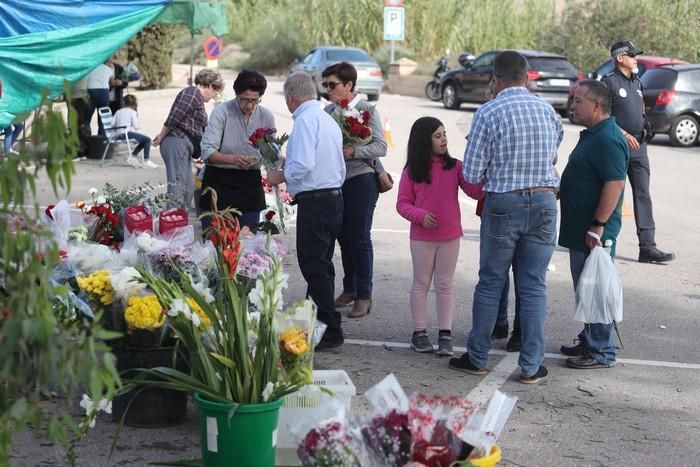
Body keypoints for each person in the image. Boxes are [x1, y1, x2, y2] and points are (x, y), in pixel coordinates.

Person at [449, 51, 562, 385]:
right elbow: (554, 152)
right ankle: (530, 365)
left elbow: (471, 172)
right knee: (533, 285)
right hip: (544, 200)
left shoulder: (488, 112)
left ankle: (478, 356)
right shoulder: (547, 110)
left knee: (491, 281)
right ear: (527, 77)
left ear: (495, 79)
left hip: (504, 202)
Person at [267, 72, 346, 350]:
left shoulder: (304, 121)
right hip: (334, 197)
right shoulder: (327, 119)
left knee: (313, 265)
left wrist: (280, 175)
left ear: (290, 98)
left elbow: (302, 164)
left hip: (317, 200)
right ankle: (319, 322)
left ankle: (330, 327)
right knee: (323, 264)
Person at [396, 117, 483, 356]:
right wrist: (420, 215)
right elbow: (402, 204)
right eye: (437, 135)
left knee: (445, 284)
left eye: (444, 134)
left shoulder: (455, 166)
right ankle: (419, 332)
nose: (444, 139)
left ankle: (445, 333)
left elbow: (475, 192)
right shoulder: (411, 171)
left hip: (450, 236)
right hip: (422, 238)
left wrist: (485, 172)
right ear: (424, 140)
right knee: (421, 283)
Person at [559, 80, 629, 369]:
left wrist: (598, 225)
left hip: (595, 233)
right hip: (582, 232)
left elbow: (614, 184)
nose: (572, 106)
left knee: (596, 289)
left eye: (578, 101)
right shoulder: (595, 134)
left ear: (596, 105)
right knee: (586, 289)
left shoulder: (608, 138)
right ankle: (590, 340)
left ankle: (601, 351)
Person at [321, 62, 387, 319]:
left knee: (359, 237)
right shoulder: (328, 112)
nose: (328, 90)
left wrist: (354, 151)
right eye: (325, 85)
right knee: (342, 236)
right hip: (337, 181)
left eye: (333, 84)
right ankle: (349, 288)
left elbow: (381, 146)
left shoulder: (366, 109)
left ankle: (364, 295)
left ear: (349, 85)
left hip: (362, 179)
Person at [602, 40, 674, 264]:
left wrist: (644, 126)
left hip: (640, 149)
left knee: (643, 195)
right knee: (615, 195)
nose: (636, 59)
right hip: (618, 146)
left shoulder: (637, 82)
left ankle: (648, 247)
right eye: (632, 55)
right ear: (619, 58)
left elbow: (638, 111)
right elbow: (603, 117)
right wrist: (623, 133)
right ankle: (606, 243)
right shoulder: (608, 83)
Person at [200, 70, 275, 230]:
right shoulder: (222, 111)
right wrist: (233, 159)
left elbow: (271, 153)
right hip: (219, 182)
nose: (249, 105)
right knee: (216, 242)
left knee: (249, 243)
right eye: (244, 100)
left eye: (255, 100)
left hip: (250, 184)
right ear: (236, 94)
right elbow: (207, 151)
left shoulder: (266, 116)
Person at [153, 69, 223, 210]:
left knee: (187, 190)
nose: (215, 96)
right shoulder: (192, 93)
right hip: (175, 141)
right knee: (177, 190)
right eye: (216, 91)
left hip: (183, 146)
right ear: (209, 85)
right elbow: (174, 117)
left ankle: (179, 221)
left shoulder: (196, 97)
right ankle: (172, 224)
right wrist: (161, 136)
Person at [113, 94, 158, 169]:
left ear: (124, 103)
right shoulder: (132, 112)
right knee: (147, 140)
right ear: (134, 103)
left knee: (144, 140)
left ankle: (133, 156)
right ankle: (146, 161)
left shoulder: (118, 111)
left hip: (118, 135)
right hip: (126, 134)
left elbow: (112, 124)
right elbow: (136, 126)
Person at [86, 59, 122, 135]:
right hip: (103, 92)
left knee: (87, 117)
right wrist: (119, 82)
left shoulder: (90, 68)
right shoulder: (108, 69)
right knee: (103, 118)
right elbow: (112, 83)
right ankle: (102, 139)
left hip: (91, 92)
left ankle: (86, 138)